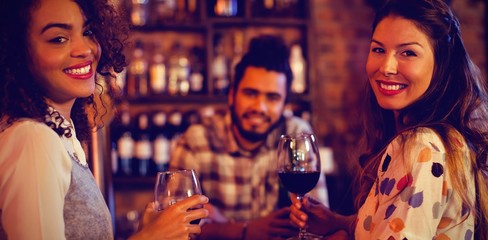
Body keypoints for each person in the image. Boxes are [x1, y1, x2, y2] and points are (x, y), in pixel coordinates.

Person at [0, 0, 208, 239]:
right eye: (58, 38)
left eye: (88, 32)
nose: (85, 49)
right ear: (17, 53)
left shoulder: (57, 135)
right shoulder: (33, 139)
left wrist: (145, 232)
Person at [289, 0, 488, 239]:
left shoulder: (421, 146)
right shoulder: (446, 138)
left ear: (441, 65)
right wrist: (340, 223)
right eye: (379, 49)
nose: (387, 67)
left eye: (408, 53)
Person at [169, 35, 329, 239]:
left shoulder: (296, 135)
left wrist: (219, 225)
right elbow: (175, 229)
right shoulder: (196, 141)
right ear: (232, 95)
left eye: (272, 98)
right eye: (251, 93)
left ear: (284, 104)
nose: (259, 107)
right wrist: (244, 231)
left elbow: (318, 225)